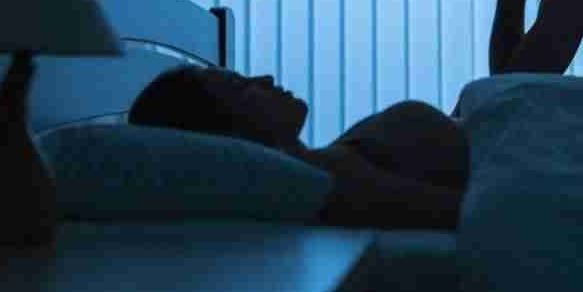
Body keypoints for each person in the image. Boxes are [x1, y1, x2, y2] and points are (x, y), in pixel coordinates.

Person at [128, 65, 469, 231]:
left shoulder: (334, 160)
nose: (264, 79)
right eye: (242, 87)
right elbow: (478, 208)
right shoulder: (338, 180)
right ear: (228, 135)